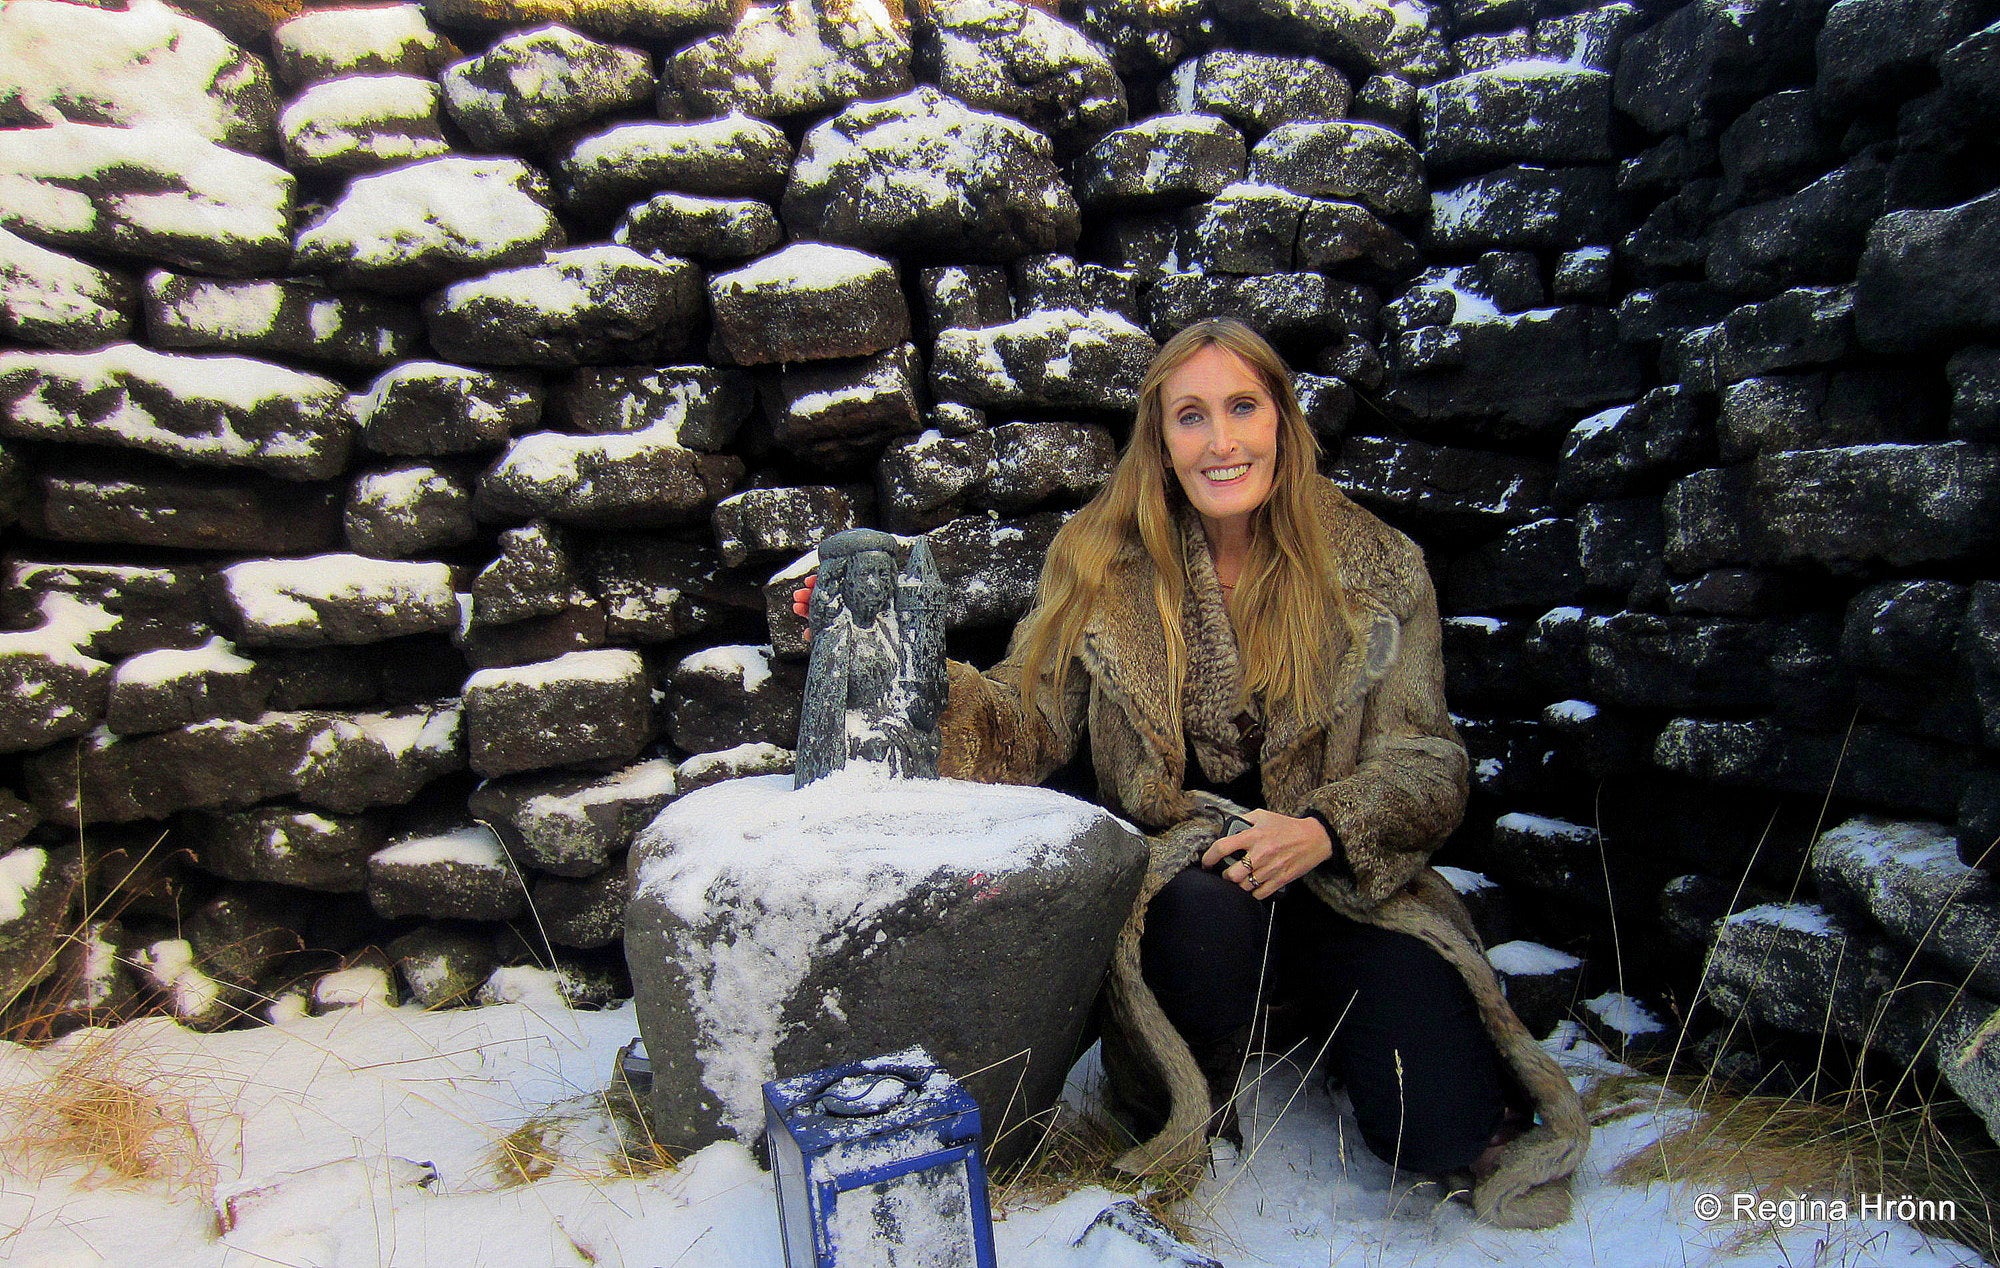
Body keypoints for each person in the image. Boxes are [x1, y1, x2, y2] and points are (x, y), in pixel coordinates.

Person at [796, 318, 1587, 1228]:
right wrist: (895, 656)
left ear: (1282, 421)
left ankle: (1332, 1019)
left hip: (1346, 886)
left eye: (1243, 407)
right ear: (1161, 440)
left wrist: (1325, 829)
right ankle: (1191, 1086)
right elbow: (1024, 719)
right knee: (1203, 917)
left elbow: (1427, 760)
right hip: (1198, 889)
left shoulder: (1380, 566)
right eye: (1192, 417)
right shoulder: (1102, 561)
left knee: (1442, 1129)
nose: (1222, 442)